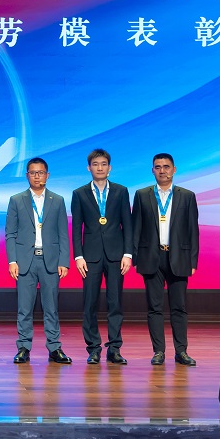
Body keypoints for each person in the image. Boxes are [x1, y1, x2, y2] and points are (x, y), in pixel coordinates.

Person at [132, 153, 200, 366]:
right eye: (158, 167)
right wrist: (135, 257)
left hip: (178, 257)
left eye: (166, 166)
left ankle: (181, 351)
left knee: (179, 307)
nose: (162, 171)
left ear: (174, 169)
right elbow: (136, 228)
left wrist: (193, 261)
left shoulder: (187, 196)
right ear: (152, 170)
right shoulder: (142, 195)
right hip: (151, 257)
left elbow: (193, 230)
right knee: (154, 307)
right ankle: (158, 351)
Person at [5, 157, 71, 365]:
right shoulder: (17, 200)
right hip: (26, 261)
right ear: (27, 175)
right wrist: (12, 260)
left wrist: (64, 261)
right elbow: (10, 234)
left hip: (50, 260)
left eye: (40, 172)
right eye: (33, 173)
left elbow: (63, 234)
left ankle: (55, 347)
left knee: (51, 308)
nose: (37, 176)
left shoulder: (57, 200)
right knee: (24, 308)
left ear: (47, 175)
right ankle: (23, 347)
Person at [71, 149, 133, 365]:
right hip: (90, 256)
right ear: (89, 168)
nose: (100, 168)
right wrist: (78, 256)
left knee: (115, 303)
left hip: (116, 255)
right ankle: (93, 348)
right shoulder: (79, 193)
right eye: (95, 164)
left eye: (104, 164)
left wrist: (128, 253)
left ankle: (114, 348)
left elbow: (128, 224)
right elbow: (76, 228)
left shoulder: (121, 191)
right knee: (90, 303)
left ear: (110, 168)